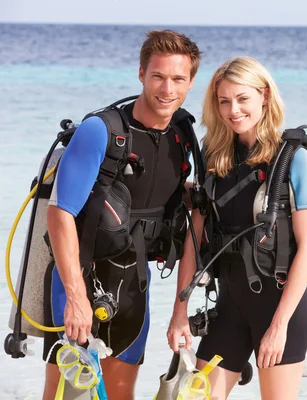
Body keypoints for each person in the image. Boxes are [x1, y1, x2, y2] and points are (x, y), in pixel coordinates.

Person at [42, 29, 204, 400]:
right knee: (65, 394)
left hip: (135, 283)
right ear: (141, 74)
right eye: (158, 76)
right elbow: (60, 214)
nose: (167, 89)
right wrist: (76, 296)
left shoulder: (183, 136)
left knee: (120, 393)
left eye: (178, 79)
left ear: (191, 82)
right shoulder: (101, 131)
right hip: (81, 277)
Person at [167, 56, 307, 400]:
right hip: (230, 308)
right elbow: (194, 239)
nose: (233, 110)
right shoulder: (214, 156)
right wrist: (180, 312)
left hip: (281, 310)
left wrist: (278, 326)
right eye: (224, 101)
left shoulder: (291, 158)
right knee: (190, 397)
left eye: (242, 98)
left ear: (264, 96)